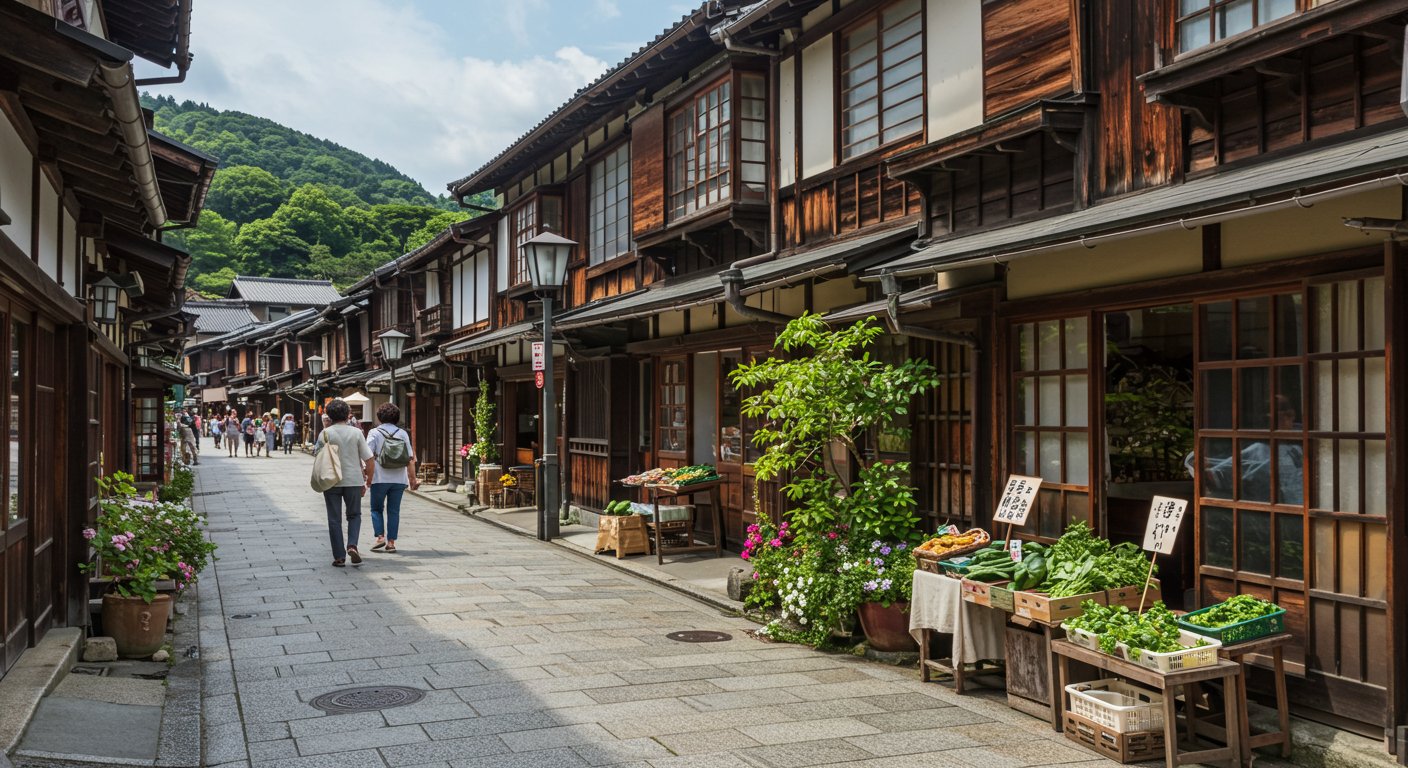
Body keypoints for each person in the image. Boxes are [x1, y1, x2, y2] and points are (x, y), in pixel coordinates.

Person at [315, 399, 373, 568]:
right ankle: (352, 545)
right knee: (354, 515)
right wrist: (368, 480)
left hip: (331, 480)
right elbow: (368, 459)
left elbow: (318, 455)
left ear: (330, 415)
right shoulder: (356, 433)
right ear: (348, 414)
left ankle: (339, 557)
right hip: (353, 480)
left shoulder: (325, 433)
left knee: (334, 519)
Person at [366, 402, 419, 554]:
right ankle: (391, 543)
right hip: (399, 479)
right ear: (396, 417)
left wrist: (367, 476)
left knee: (376, 509)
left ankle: (380, 537)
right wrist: (412, 479)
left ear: (379, 417)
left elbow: (367, 456)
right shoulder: (402, 433)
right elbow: (410, 458)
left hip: (379, 478)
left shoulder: (374, 433)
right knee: (394, 511)